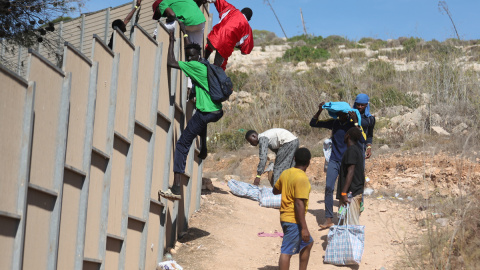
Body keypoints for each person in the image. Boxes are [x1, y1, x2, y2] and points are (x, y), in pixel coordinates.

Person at [158, 30, 223, 200]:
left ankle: (176, 188)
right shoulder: (203, 63)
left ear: (196, 56)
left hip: (207, 111)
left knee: (182, 144)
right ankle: (203, 147)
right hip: (214, 110)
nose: (188, 59)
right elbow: (191, 50)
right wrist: (186, 35)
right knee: (200, 119)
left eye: (190, 56)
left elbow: (171, 62)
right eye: (187, 56)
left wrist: (172, 41)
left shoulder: (194, 66)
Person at [309, 101, 364, 230]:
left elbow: (361, 139)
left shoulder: (352, 125)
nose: (340, 116)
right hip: (334, 159)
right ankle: (328, 218)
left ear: (347, 114)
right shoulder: (334, 123)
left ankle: (346, 218)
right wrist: (320, 110)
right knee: (329, 187)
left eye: (342, 114)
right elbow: (313, 123)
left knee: (346, 191)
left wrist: (356, 122)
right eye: (338, 114)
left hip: (347, 162)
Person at [273, 148, 314, 270]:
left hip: (285, 217)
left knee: (308, 243)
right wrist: (304, 228)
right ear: (309, 162)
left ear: (294, 159)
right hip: (293, 220)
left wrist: (286, 186)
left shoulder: (286, 173)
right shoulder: (302, 178)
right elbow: (298, 203)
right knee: (287, 251)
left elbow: (275, 191)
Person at [204, 0, 253, 70]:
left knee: (212, 41)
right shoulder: (248, 30)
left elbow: (219, 1)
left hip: (214, 40)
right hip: (225, 48)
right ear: (249, 19)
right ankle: (215, 73)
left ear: (241, 11)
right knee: (219, 67)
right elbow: (246, 50)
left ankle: (204, 59)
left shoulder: (232, 10)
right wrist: (237, 46)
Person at [337, 127, 365, 225]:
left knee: (351, 225)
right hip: (355, 192)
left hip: (351, 194)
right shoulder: (357, 150)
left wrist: (344, 193)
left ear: (347, 135)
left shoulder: (352, 151)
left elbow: (351, 171)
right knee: (345, 223)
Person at [353, 93, 376, 160]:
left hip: (361, 148)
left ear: (366, 105)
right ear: (355, 104)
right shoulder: (349, 116)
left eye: (362, 105)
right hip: (348, 148)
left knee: (359, 169)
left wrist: (369, 147)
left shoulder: (370, 119)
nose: (360, 107)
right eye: (358, 104)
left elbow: (369, 135)